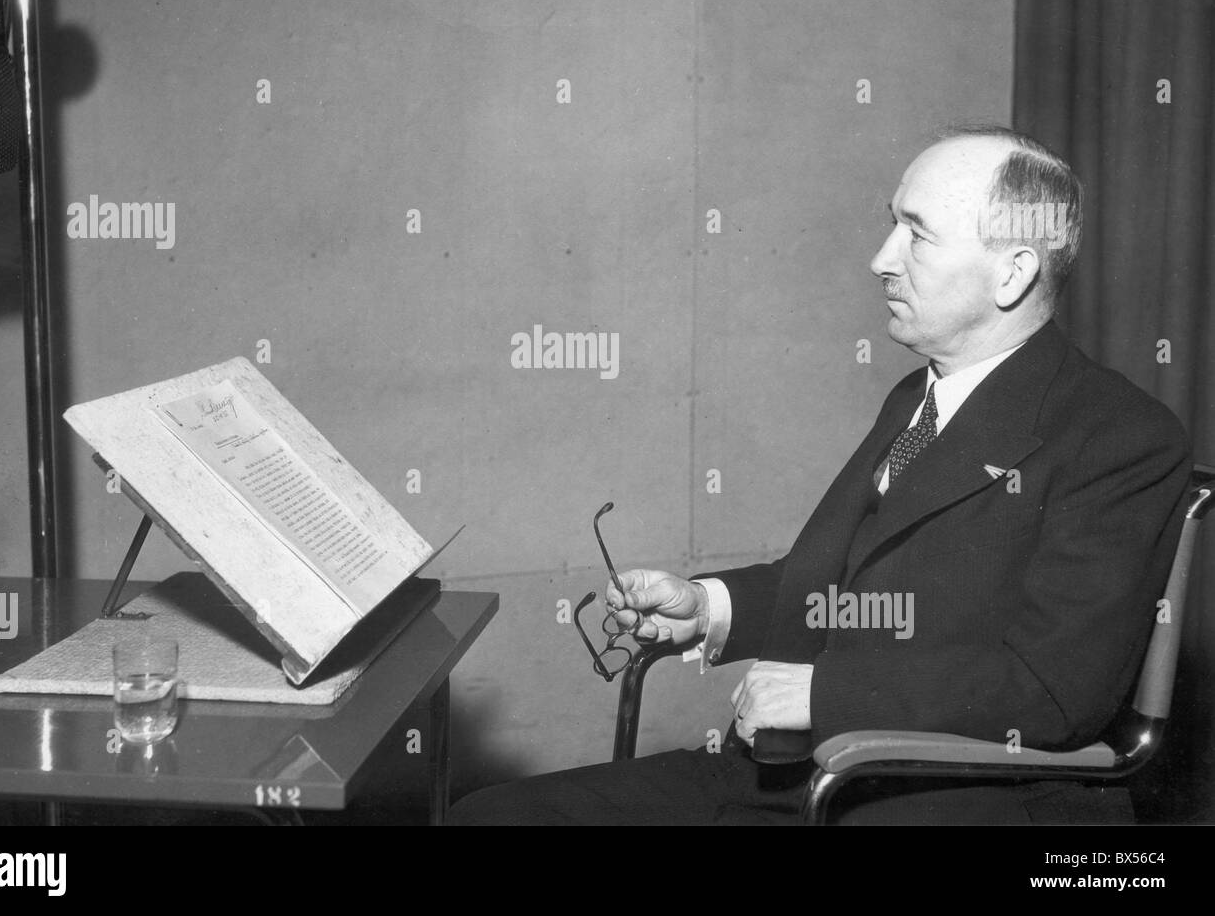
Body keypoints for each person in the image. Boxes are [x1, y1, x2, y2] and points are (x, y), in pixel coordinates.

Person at [449, 126, 1192, 825]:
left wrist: (822, 693)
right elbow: (846, 589)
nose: (881, 257)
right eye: (890, 223)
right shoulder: (918, 395)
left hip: (946, 798)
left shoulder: (1120, 438)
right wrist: (707, 608)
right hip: (800, 775)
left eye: (917, 234)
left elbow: (1055, 689)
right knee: (485, 817)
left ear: (1013, 273)